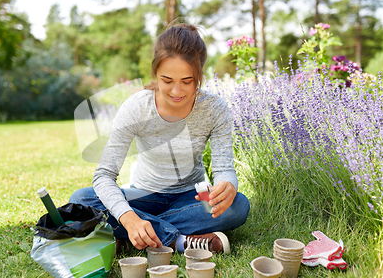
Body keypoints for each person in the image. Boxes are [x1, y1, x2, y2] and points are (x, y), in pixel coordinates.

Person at [69, 23, 250, 255]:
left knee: (238, 206)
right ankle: (179, 241)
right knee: (81, 200)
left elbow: (224, 168)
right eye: (167, 80)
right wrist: (129, 217)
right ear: (155, 73)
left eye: (187, 81)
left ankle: (130, 236)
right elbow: (104, 175)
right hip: (143, 194)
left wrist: (228, 185)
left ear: (200, 75)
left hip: (191, 196)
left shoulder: (215, 109)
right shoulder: (137, 107)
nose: (176, 91)